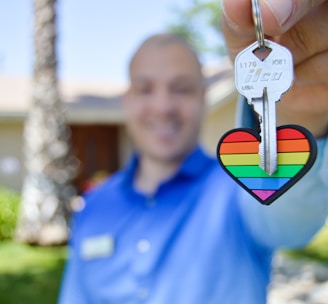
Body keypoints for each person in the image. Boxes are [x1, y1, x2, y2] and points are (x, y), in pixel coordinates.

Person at [59, 0, 328, 303]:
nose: (163, 107)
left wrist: (300, 115)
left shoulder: (239, 188)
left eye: (181, 88)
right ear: (128, 100)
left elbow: (291, 225)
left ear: (203, 98)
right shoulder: (94, 206)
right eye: (146, 88)